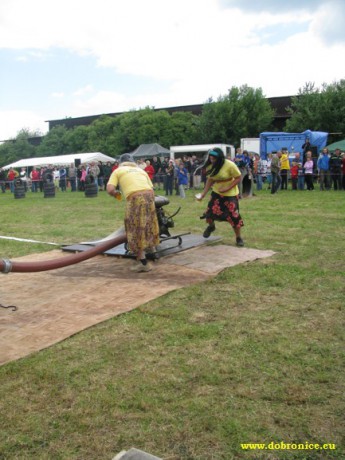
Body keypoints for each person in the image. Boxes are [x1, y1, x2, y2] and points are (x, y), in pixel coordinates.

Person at [107, 153, 160, 272]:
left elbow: (110, 189)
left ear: (121, 162)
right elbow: (151, 188)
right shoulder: (141, 170)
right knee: (149, 224)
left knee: (134, 228)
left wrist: (117, 194)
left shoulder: (118, 171)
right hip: (150, 196)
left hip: (135, 198)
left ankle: (143, 262)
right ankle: (154, 251)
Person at [196, 148, 244, 247]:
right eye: (210, 158)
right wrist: (203, 194)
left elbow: (238, 177)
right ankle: (211, 226)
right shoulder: (210, 165)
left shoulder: (230, 165)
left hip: (230, 194)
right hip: (217, 192)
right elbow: (210, 180)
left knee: (234, 216)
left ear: (220, 158)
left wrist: (227, 188)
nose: (212, 160)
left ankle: (238, 237)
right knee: (209, 213)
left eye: (214, 158)